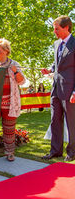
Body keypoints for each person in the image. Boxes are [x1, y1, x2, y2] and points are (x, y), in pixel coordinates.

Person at [41, 15, 75, 161]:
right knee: (55, 119)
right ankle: (55, 151)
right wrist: (50, 70)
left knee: (71, 121)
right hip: (55, 88)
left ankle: (72, 152)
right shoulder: (56, 44)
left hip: (70, 90)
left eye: (57, 29)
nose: (54, 32)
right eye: (54, 29)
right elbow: (57, 64)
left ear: (66, 27)